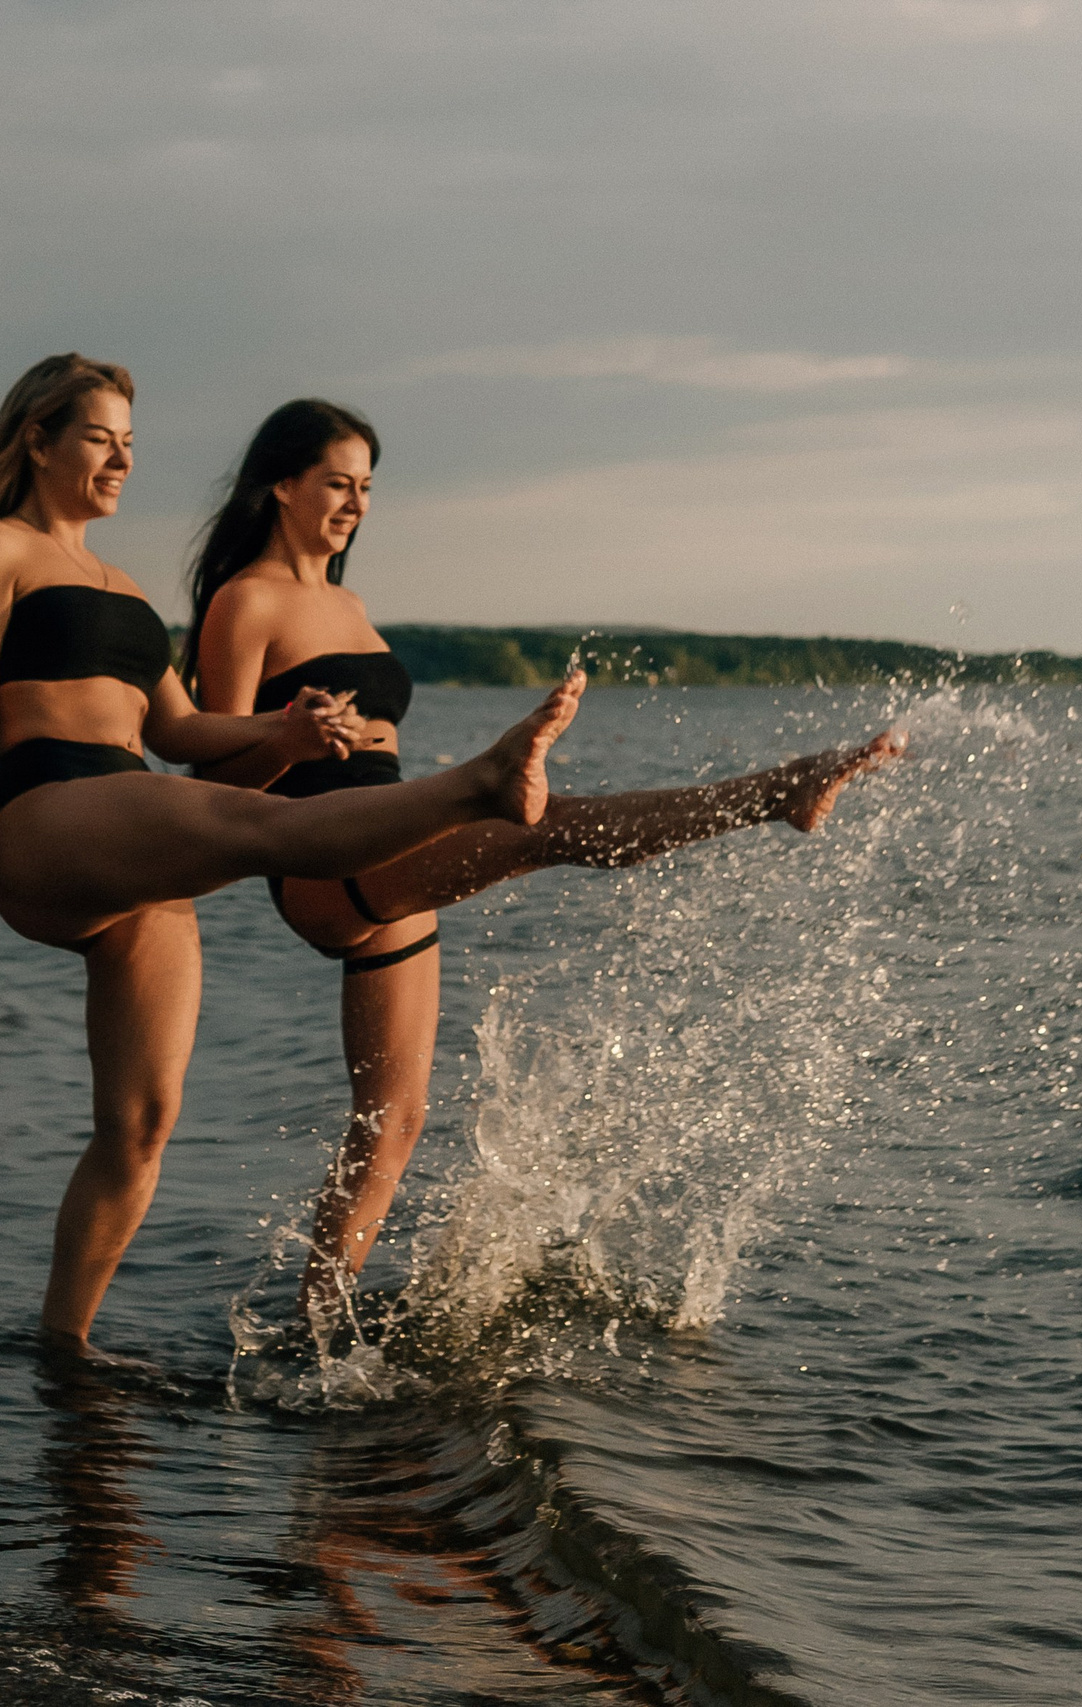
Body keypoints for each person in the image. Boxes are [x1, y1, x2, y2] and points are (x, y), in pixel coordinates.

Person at [185, 399, 904, 1342]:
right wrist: (291, 739)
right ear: (281, 483)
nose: (356, 502)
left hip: (396, 849)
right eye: (337, 483)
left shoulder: (348, 604)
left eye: (367, 487)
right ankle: (776, 792)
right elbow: (211, 782)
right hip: (324, 856)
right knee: (545, 827)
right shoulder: (246, 602)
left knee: (394, 1120)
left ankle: (320, 1327)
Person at [0, 354, 585, 1360]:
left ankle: (63, 1350)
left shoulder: (124, 587)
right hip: (46, 816)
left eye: (129, 444)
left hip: (127, 840)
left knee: (140, 1126)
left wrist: (291, 736)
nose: (119, 459)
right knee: (255, 831)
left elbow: (184, 734)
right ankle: (476, 790)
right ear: (37, 441)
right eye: (98, 437)